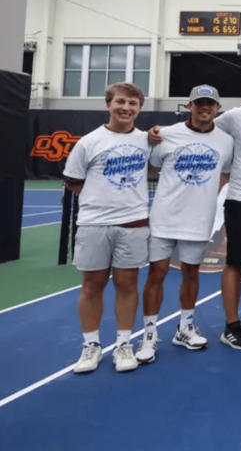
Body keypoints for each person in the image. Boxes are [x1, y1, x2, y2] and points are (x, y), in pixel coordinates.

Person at [152, 70, 241, 348]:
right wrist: (155, 132)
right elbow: (203, 127)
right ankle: (231, 325)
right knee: (235, 262)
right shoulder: (234, 117)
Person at [136, 85, 234, 364]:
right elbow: (151, 168)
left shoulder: (226, 141)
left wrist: (210, 203)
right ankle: (149, 334)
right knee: (157, 273)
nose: (205, 108)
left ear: (218, 108)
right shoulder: (164, 134)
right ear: (189, 106)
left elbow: (225, 173)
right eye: (199, 103)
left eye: (210, 104)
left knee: (192, 273)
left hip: (199, 221)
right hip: (164, 218)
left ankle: (185, 327)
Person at [65, 82, 151, 373]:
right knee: (92, 286)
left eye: (133, 104)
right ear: (108, 104)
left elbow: (153, 168)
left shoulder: (147, 141)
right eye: (120, 102)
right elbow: (73, 180)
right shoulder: (89, 142)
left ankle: (124, 343)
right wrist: (100, 201)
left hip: (134, 223)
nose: (126, 108)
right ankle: (91, 346)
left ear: (140, 108)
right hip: (94, 223)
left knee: (127, 285)